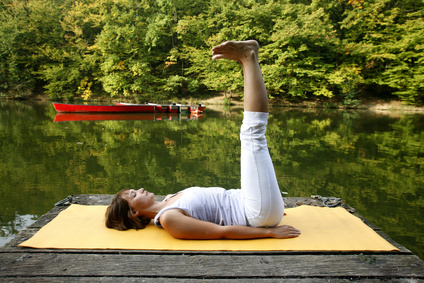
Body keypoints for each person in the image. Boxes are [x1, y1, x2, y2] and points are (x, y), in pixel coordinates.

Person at [105, 40, 301, 240]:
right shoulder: (169, 219)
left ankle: (245, 61)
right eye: (133, 195)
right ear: (134, 213)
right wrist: (269, 232)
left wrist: (264, 198)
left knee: (253, 135)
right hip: (255, 215)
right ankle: (248, 57)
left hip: (254, 204)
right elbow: (221, 232)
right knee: (253, 134)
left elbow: (221, 202)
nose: (140, 189)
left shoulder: (169, 199)